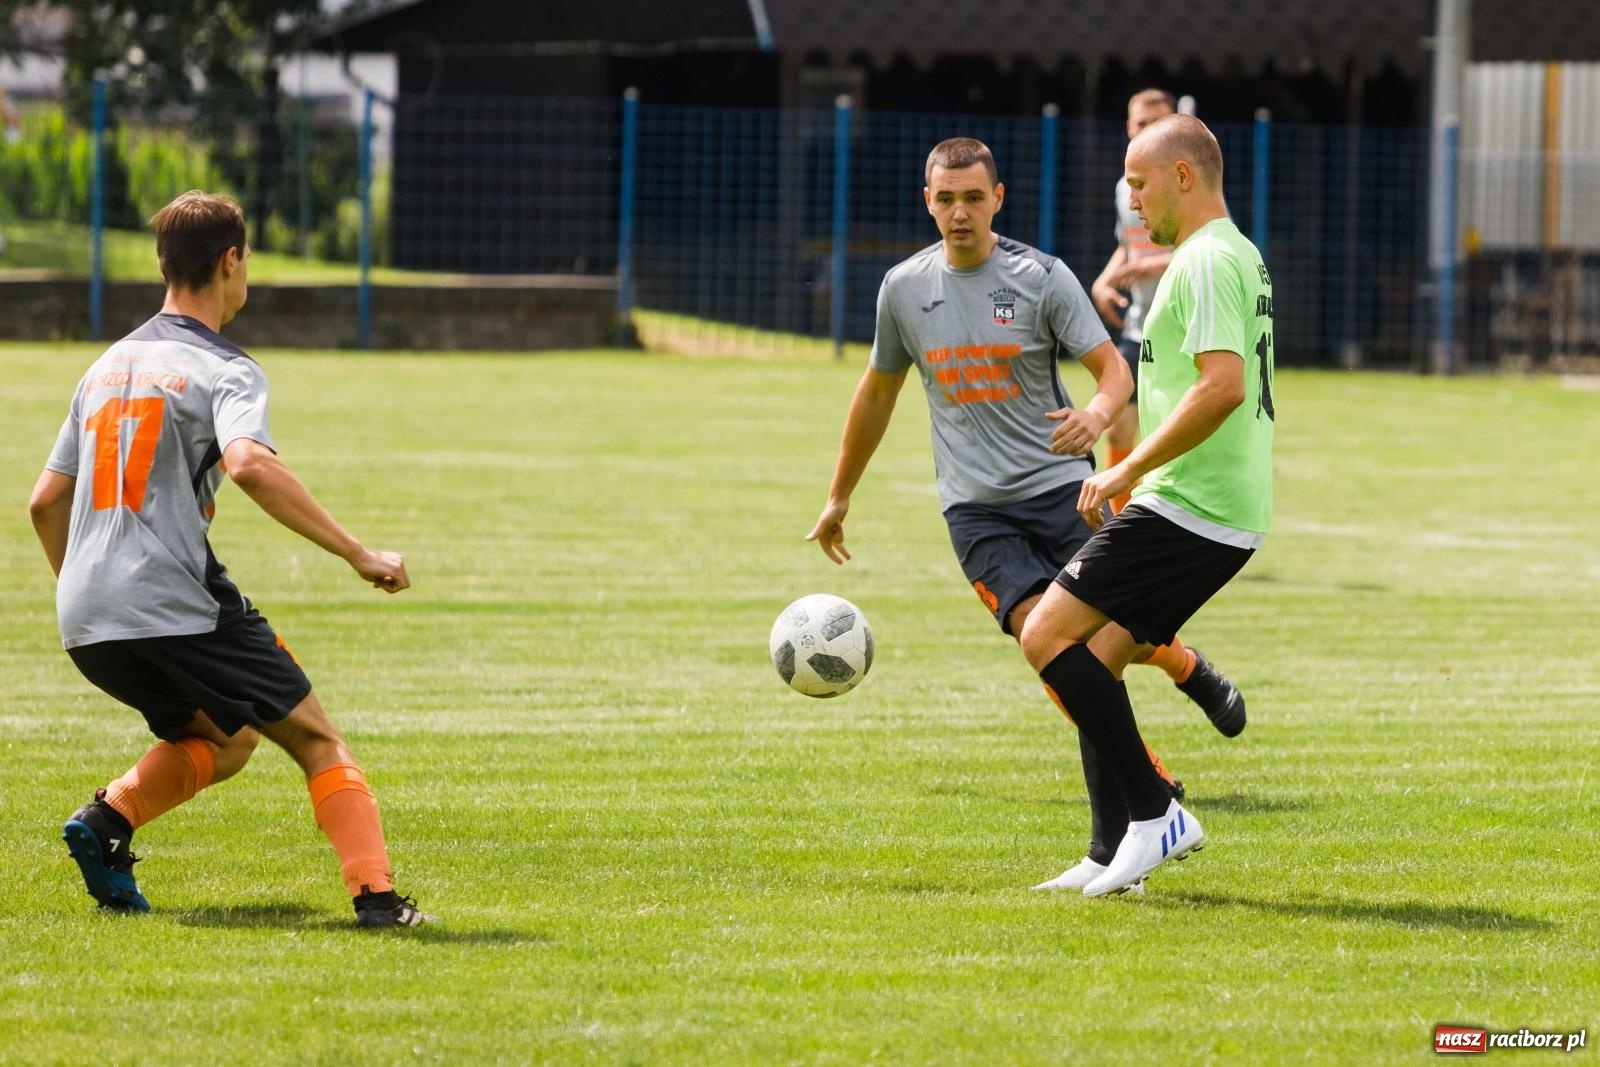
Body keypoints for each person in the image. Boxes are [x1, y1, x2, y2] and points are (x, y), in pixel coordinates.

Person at [805, 137, 1245, 891]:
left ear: (998, 199)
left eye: (973, 198)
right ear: (927, 201)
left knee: (1086, 654)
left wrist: (1098, 416)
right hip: (978, 516)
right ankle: (1151, 780)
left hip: (1061, 494)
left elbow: (1113, 372)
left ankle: (1123, 838)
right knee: (1054, 645)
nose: (959, 213)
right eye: (945, 199)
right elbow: (877, 392)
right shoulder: (904, 290)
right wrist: (840, 494)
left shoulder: (1041, 278)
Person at [28, 190, 430, 927]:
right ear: (231, 260)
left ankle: (107, 819)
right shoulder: (226, 367)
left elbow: (44, 502)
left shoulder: (104, 367)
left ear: (161, 263)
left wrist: (90, 590)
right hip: (170, 601)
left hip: (85, 617)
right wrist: (357, 552)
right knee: (314, 735)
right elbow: (248, 464)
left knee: (226, 735)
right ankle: (377, 898)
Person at [1018, 114, 1276, 897]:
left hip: (1192, 503)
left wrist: (1125, 466)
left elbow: (1222, 386)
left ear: (1184, 177)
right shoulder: (1237, 254)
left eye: (1139, 182)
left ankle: (1158, 811)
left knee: (1044, 633)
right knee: (1098, 656)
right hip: (1216, 504)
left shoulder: (1201, 261)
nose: (1132, 200)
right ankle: (1111, 852)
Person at [1091, 88, 1177, 516]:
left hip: (1182, 329)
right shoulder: (1124, 187)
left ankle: (1165, 518)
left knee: (1171, 434)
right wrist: (1104, 281)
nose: (1148, 131)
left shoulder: (1185, 182)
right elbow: (1128, 245)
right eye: (1141, 124)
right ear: (1129, 128)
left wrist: (1153, 266)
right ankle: (1121, 521)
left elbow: (1212, 244)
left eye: (1159, 123)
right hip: (1140, 325)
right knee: (1120, 424)